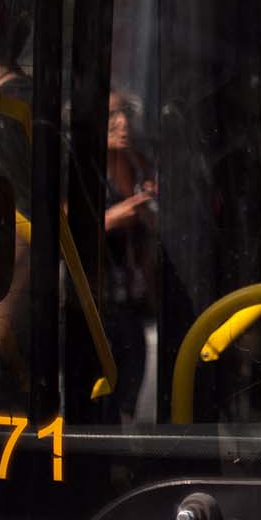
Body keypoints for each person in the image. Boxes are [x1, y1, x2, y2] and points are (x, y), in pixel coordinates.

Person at [104, 91, 156, 421]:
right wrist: (113, 218)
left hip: (133, 298)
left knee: (132, 381)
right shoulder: (80, 168)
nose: (122, 123)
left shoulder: (137, 164)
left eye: (124, 113)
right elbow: (65, 229)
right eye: (111, 116)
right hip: (99, 300)